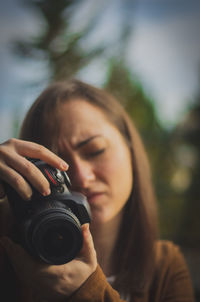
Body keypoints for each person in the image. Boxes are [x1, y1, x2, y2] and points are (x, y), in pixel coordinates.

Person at [0, 79, 194, 302]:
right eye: (56, 166)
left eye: (95, 150)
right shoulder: (8, 256)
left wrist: (87, 291)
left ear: (130, 148)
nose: (82, 177)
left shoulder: (166, 268)